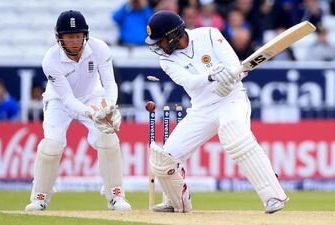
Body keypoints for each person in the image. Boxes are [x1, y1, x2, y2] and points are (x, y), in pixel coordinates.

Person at [145, 10, 288, 213]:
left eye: (161, 41)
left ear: (174, 34)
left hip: (232, 100)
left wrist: (229, 80)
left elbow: (233, 66)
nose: (160, 46)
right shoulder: (166, 60)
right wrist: (211, 77)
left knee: (234, 136)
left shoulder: (210, 35)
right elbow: (188, 82)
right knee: (164, 157)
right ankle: (177, 201)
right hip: (202, 109)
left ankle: (273, 196)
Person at [25, 10, 131, 211]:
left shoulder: (99, 48)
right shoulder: (50, 60)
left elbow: (110, 84)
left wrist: (108, 107)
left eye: (78, 35)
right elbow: (67, 99)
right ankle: (40, 196)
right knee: (51, 146)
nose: (74, 41)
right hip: (58, 100)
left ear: (85, 35)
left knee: (108, 139)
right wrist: (92, 114)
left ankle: (115, 194)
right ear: (59, 37)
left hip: (93, 95)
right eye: (69, 36)